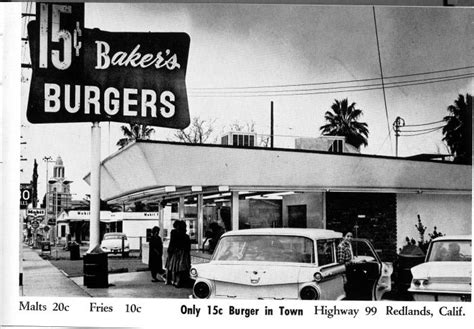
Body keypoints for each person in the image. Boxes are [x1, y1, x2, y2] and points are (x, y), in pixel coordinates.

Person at [166, 220, 191, 287]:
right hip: (184, 253)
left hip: (176, 252)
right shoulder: (186, 236)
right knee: (180, 268)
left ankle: (175, 281)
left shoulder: (174, 233)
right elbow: (188, 247)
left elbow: (172, 243)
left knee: (175, 268)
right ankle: (178, 282)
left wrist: (170, 250)